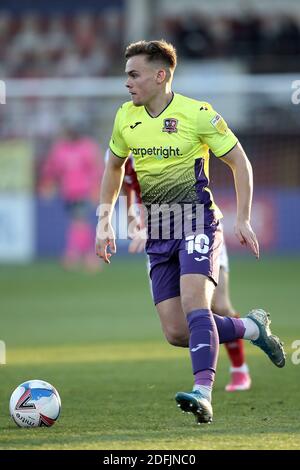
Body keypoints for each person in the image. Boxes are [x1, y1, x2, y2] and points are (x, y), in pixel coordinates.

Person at [95, 40, 285, 424]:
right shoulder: (124, 119)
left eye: (134, 74)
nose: (126, 82)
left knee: (196, 305)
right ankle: (252, 327)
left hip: (197, 221)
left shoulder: (198, 114)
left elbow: (239, 161)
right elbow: (114, 169)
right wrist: (103, 221)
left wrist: (243, 217)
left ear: (160, 75)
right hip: (159, 231)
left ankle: (202, 393)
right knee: (177, 332)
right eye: (126, 74)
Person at [123, 155, 251, 392]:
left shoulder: (172, 140)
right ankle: (252, 328)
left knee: (219, 306)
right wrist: (135, 223)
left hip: (199, 226)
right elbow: (124, 185)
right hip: (161, 239)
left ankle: (239, 369)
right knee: (178, 330)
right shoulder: (124, 149)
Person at [40, 118, 104, 271]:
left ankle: (75, 254)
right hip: (68, 192)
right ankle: (88, 255)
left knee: (79, 221)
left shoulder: (87, 147)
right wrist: (47, 184)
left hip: (84, 190)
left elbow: (96, 168)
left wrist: (96, 188)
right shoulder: (61, 148)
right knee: (78, 222)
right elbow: (52, 168)